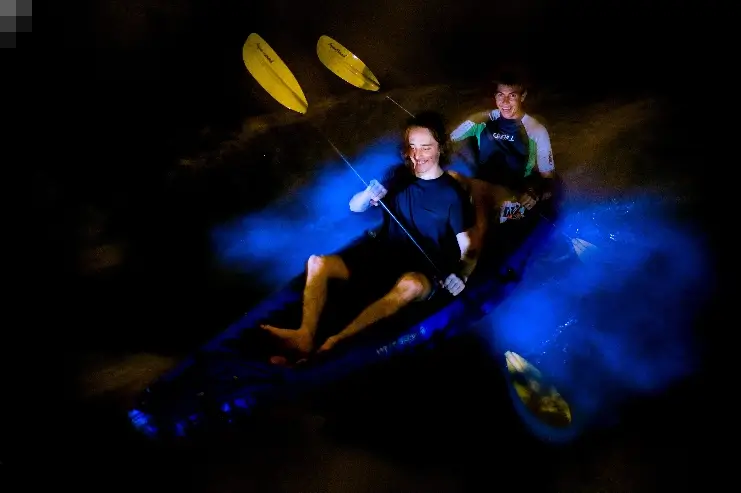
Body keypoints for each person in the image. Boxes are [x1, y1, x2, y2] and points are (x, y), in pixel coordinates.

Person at [262, 111, 478, 363]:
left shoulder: (453, 196)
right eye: (411, 147)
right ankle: (305, 335)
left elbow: (468, 249)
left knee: (412, 285)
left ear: (441, 147)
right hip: (384, 256)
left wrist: (461, 275)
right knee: (317, 263)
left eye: (425, 147)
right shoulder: (398, 175)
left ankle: (336, 343)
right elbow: (355, 207)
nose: (417, 156)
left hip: (424, 269)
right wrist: (367, 195)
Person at [449, 74, 557, 249]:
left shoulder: (536, 130)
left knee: (512, 216)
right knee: (450, 181)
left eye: (512, 95)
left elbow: (548, 178)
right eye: (501, 95)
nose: (505, 102)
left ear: (523, 96)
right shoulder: (480, 121)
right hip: (478, 188)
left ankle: (486, 256)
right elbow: (447, 142)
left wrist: (535, 192)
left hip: (510, 197)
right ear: (495, 96)